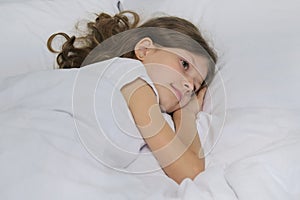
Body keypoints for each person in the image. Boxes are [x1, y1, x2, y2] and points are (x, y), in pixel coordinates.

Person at [47, 10, 217, 184]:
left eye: (195, 87)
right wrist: (187, 114)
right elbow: (191, 171)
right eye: (184, 64)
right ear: (144, 50)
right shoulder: (133, 78)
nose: (189, 85)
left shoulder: (141, 103)